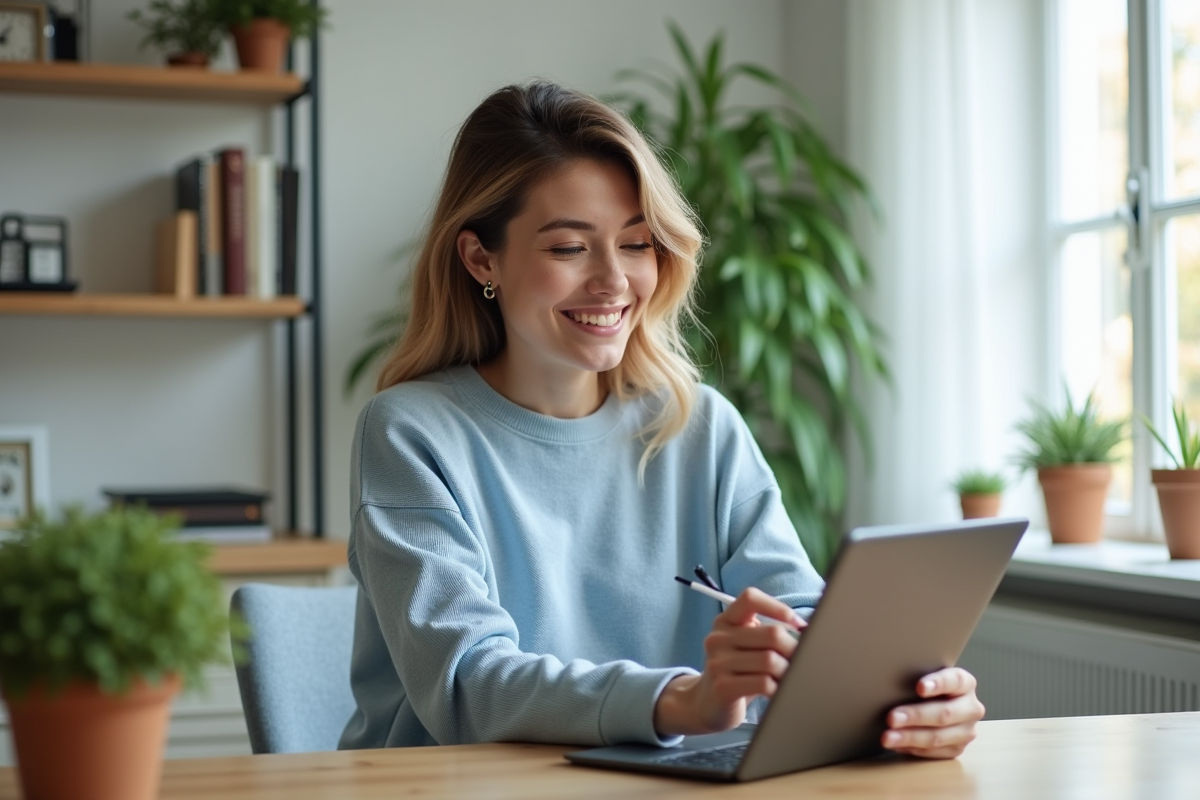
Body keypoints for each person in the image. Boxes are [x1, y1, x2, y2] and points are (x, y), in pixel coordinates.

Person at [340, 81, 984, 758]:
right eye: (568, 248)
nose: (614, 281)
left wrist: (907, 695)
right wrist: (682, 700)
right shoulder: (410, 432)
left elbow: (802, 616)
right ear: (481, 258)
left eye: (638, 244)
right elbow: (468, 683)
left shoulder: (699, 425)